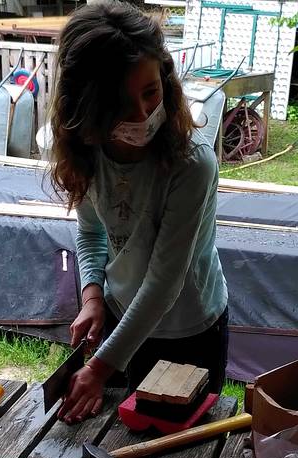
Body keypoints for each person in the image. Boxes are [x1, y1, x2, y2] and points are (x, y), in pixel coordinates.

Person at [49, 2, 228, 424]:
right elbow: (92, 230)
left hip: (188, 330)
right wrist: (92, 295)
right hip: (122, 316)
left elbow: (165, 282)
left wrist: (99, 367)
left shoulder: (191, 164)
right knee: (115, 431)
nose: (143, 114)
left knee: (180, 453)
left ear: (165, 78)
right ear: (88, 107)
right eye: (120, 105)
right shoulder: (89, 150)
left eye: (151, 92)